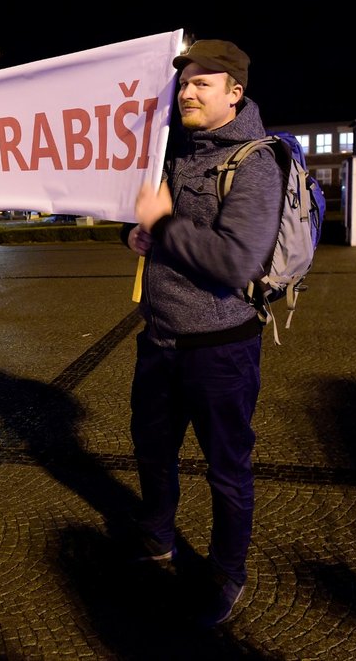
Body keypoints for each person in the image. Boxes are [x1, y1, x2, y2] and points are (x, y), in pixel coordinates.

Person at [124, 39, 283, 627]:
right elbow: (156, 231)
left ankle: (226, 572)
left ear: (234, 93)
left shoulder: (255, 164)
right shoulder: (179, 152)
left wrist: (164, 224)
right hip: (159, 341)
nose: (187, 93)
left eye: (202, 84)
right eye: (184, 82)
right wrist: (139, 236)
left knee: (226, 469)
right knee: (152, 448)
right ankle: (158, 535)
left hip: (220, 350)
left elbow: (235, 261)